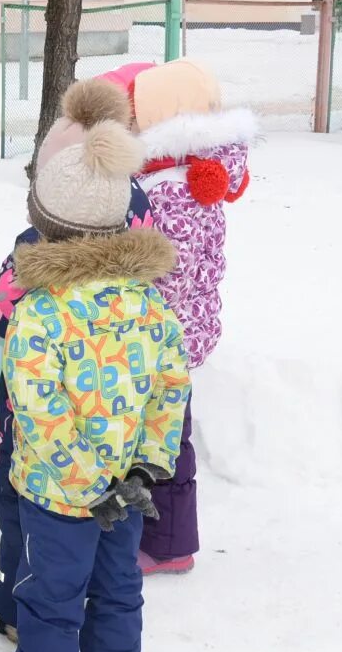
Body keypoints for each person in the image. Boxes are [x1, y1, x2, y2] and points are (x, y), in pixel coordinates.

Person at [0, 118, 190, 652]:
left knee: (52, 596)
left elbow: (38, 409)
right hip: (126, 488)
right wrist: (143, 467)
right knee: (118, 589)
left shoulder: (39, 310)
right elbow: (170, 390)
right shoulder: (150, 303)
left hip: (60, 494)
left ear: (44, 223)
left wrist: (83, 481)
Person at [0, 78, 151, 643]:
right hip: (118, 423)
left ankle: (15, 611)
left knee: (23, 518)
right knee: (105, 529)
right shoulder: (135, 213)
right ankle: (89, 617)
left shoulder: (39, 245)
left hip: (39, 436)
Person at [103, 59, 254, 576]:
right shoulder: (192, 175)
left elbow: (160, 269)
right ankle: (159, 538)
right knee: (162, 435)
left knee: (163, 440)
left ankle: (168, 546)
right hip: (182, 331)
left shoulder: (166, 189)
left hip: (159, 338)